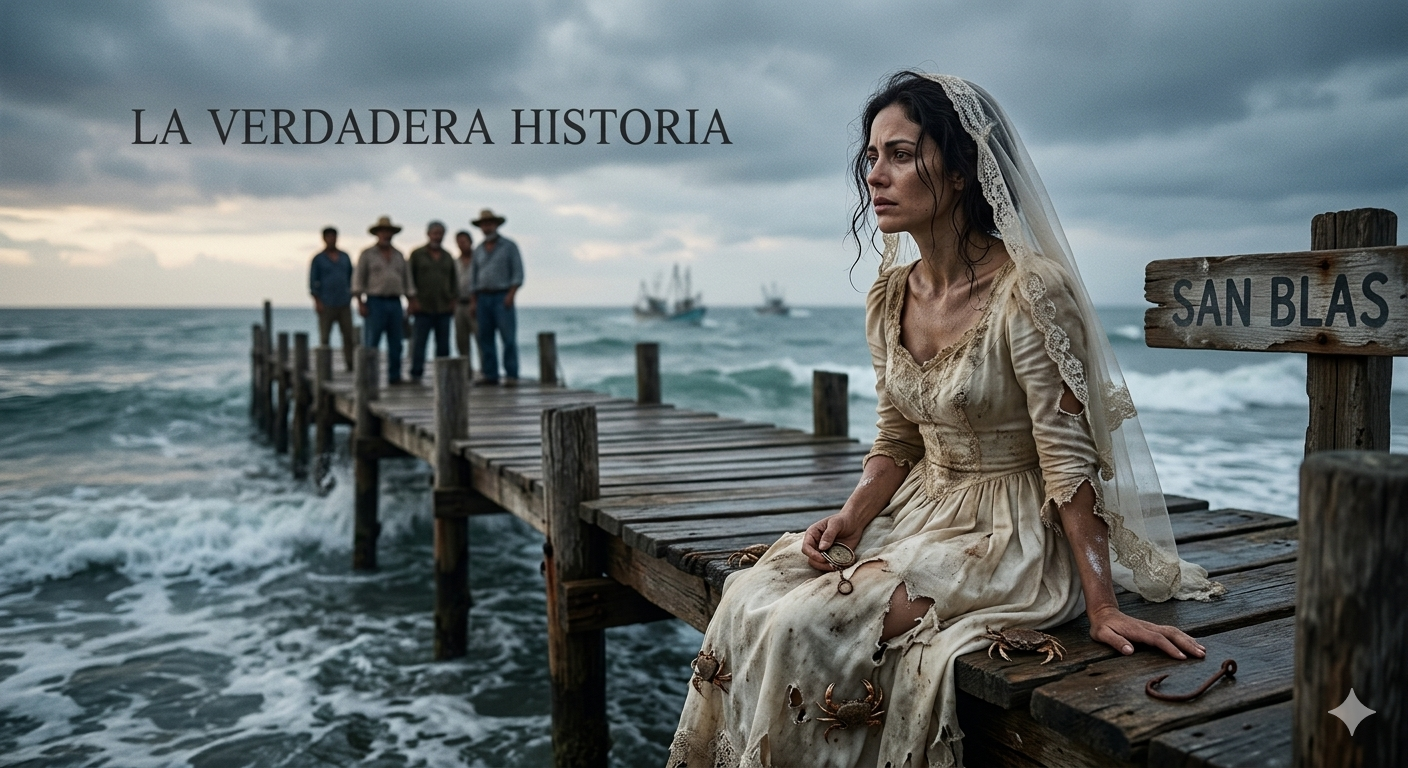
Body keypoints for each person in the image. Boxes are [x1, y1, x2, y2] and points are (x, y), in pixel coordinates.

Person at [668, 72, 1225, 768]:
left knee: (819, 620)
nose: (876, 175)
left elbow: (1066, 456)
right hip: (919, 508)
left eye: (900, 154)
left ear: (961, 172)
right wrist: (851, 517)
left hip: (1009, 532)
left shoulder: (1027, 291)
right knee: (752, 595)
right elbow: (897, 437)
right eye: (871, 157)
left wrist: (1103, 605)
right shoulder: (890, 294)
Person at [352, 215, 414, 385]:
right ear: (377, 234)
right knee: (372, 342)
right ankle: (369, 378)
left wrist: (411, 301)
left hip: (395, 302)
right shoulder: (367, 254)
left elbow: (407, 280)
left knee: (396, 342)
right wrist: (360, 302)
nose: (386, 235)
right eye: (383, 232)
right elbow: (358, 279)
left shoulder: (400, 255)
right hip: (374, 301)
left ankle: (395, 376)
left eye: (389, 232)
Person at [469, 208, 524, 385]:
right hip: (482, 298)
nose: (487, 227)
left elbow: (518, 273)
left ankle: (511, 375)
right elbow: (473, 277)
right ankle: (490, 374)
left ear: (496, 225)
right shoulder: (478, 249)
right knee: (485, 339)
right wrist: (474, 302)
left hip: (502, 296)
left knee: (508, 339)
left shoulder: (509, 246)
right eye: (484, 224)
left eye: (490, 223)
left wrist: (511, 295)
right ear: (481, 227)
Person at [407, 220, 458, 383]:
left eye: (440, 233)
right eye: (435, 233)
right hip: (422, 306)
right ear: (428, 234)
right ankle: (416, 374)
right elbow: (410, 279)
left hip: (444, 306)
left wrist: (453, 300)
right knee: (419, 343)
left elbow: (453, 280)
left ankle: (443, 376)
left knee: (443, 345)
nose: (437, 236)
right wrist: (412, 300)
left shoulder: (448, 256)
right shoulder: (417, 254)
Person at [308, 226, 355, 371]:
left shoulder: (345, 257)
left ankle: (351, 365)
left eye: (333, 236)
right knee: (325, 338)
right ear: (324, 239)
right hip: (326, 303)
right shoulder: (318, 259)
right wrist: (317, 301)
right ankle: (324, 368)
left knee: (348, 336)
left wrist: (352, 295)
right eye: (328, 237)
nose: (331, 239)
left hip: (344, 303)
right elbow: (313, 282)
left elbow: (351, 277)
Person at [453, 229, 477, 363]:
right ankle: (465, 372)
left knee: (480, 338)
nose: (462, 245)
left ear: (470, 242)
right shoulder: (455, 262)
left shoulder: (478, 260)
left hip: (476, 304)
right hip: (459, 304)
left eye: (464, 242)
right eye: (459, 242)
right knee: (461, 341)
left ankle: (486, 372)